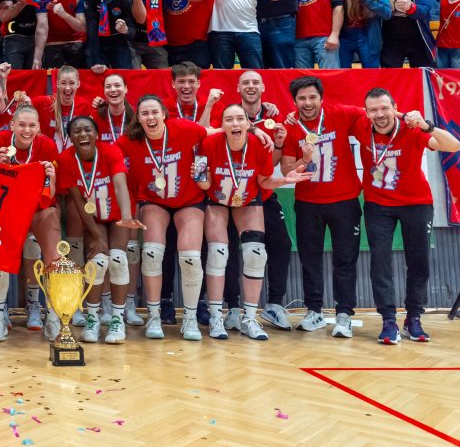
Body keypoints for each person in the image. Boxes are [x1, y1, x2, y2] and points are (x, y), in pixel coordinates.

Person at [353, 89, 460, 344]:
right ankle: (388, 320)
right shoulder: (360, 126)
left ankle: (414, 318)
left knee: (419, 261)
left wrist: (427, 125)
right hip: (378, 205)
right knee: (380, 262)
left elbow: (453, 146)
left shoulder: (413, 129)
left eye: (384, 108)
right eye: (373, 110)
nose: (379, 115)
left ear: (395, 108)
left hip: (416, 203)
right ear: (366, 113)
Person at [196, 104, 311, 341]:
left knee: (256, 253)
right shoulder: (209, 144)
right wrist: (202, 180)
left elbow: (264, 182)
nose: (235, 124)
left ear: (248, 124)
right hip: (217, 199)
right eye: (229, 119)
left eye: (240, 119)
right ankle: (217, 315)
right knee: (218, 253)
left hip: (248, 198)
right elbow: (203, 183)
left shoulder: (259, 145)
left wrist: (284, 179)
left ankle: (249, 317)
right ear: (222, 125)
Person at [115, 95, 209, 341]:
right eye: (144, 113)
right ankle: (154, 315)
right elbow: (107, 155)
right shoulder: (130, 140)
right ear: (138, 118)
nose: (150, 117)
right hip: (154, 200)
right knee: (152, 253)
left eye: (154, 112)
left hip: (189, 198)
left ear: (164, 114)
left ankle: (189, 319)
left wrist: (254, 129)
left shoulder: (185, 128)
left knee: (190, 257)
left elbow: (215, 133)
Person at [277, 77, 364, 337]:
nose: (307, 103)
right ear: (294, 101)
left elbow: (373, 113)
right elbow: (285, 169)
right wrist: (303, 160)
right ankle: (313, 311)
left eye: (312, 97)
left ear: (321, 98)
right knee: (309, 260)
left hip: (345, 201)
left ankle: (344, 314)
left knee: (345, 260)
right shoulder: (289, 126)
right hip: (308, 204)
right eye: (302, 98)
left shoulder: (341, 113)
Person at [57, 115, 139, 343]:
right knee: (98, 262)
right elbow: (78, 202)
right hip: (94, 217)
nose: (83, 134)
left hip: (117, 216)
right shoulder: (65, 159)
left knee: (119, 258)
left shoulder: (111, 151)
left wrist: (125, 218)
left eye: (87, 130)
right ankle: (92, 319)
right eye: (77, 131)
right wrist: (95, 235)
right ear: (70, 137)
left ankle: (117, 319)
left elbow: (121, 185)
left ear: (97, 135)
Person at [0, 105, 62, 338]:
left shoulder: (47, 146)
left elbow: (50, 195)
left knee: (51, 247)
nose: (27, 130)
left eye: (32, 125)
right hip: (5, 211)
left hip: (37, 209)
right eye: (22, 125)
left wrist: (52, 177)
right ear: (12, 125)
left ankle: (53, 316)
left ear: (39, 127)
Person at [35, 0, 87, 69]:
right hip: (52, 43)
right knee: (54, 80)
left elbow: (82, 27)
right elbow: (42, 27)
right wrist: (37, 58)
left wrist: (64, 15)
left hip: (76, 41)